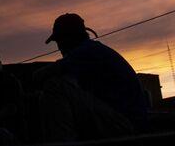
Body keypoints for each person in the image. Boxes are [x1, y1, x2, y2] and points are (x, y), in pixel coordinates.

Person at [34, 13, 147, 142]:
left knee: (55, 86)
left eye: (59, 41)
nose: (59, 47)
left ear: (69, 38)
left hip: (124, 124)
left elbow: (40, 75)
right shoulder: (91, 53)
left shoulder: (86, 52)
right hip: (122, 120)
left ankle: (63, 143)